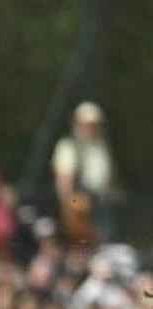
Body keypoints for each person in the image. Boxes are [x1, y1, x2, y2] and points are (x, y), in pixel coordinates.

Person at [51, 101, 122, 245]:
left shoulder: (101, 146)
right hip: (81, 208)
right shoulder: (69, 147)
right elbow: (64, 184)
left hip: (102, 204)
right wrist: (73, 204)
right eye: (87, 124)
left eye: (94, 124)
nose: (91, 128)